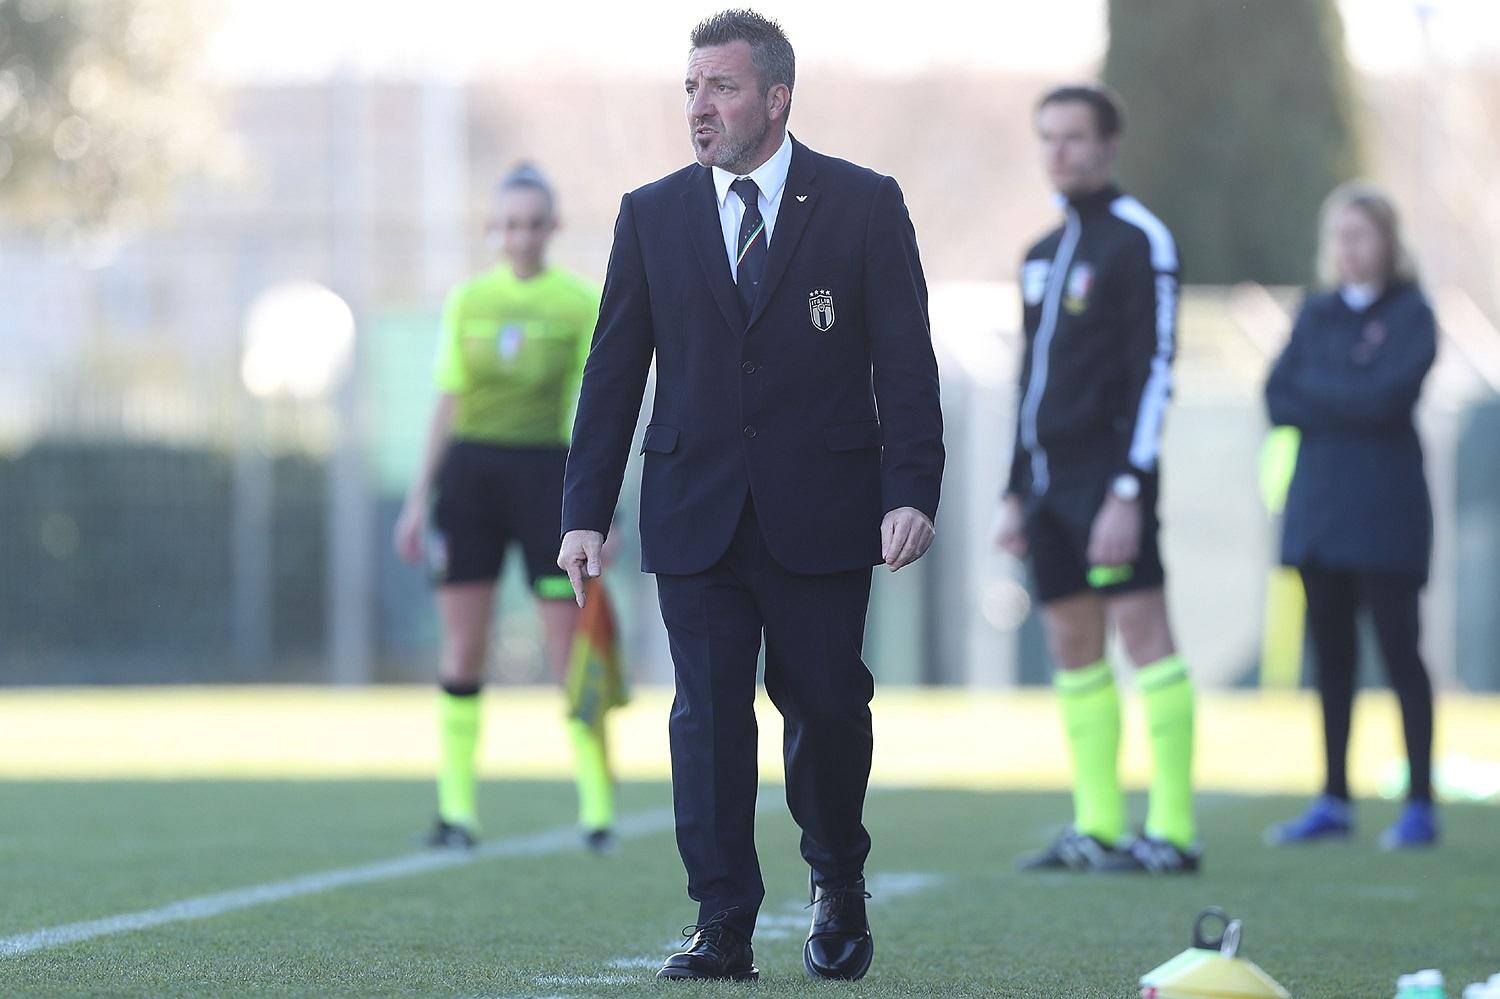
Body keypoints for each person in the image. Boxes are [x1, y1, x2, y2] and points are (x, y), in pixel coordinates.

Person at [557, 9, 943, 982]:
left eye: (721, 88)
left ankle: (838, 880)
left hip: (825, 508)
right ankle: (722, 919)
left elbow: (906, 362)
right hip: (694, 509)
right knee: (708, 717)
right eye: (691, 88)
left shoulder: (863, 204)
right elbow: (613, 370)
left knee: (826, 702)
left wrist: (912, 489)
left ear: (777, 98)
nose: (700, 106)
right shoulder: (650, 214)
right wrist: (584, 510)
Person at [993, 84, 1199, 874]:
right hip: (1047, 487)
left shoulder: (1139, 239)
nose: (1059, 151)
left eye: (1074, 136)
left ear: (1109, 145)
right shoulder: (1041, 254)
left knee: (1144, 635)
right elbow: (1028, 381)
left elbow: (1156, 369)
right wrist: (1015, 488)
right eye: (1048, 136)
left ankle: (1173, 830)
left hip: (1108, 482)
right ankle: (1099, 825)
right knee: (1071, 642)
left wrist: (1127, 488)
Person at [393, 164, 616, 852]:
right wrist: (417, 500)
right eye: (510, 224)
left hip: (548, 480)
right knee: (463, 644)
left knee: (569, 646)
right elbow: (449, 397)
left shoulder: (579, 302)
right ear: (494, 228)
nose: (521, 237)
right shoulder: (469, 300)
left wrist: (599, 507)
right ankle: (456, 812)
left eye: (533, 224)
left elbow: (600, 406)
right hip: (471, 481)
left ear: (554, 227)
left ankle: (597, 810)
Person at [1262, 182, 1439, 850]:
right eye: (1339, 235)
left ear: (1388, 241)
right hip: (1321, 510)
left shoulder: (1412, 314)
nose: (1348, 248)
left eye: (1360, 234)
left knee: (1399, 654)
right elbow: (1278, 396)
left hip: (1386, 512)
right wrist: (1346, 397)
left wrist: (1325, 396)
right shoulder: (1316, 314)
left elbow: (1386, 400)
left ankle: (1419, 804)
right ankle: (1333, 797)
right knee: (1330, 657)